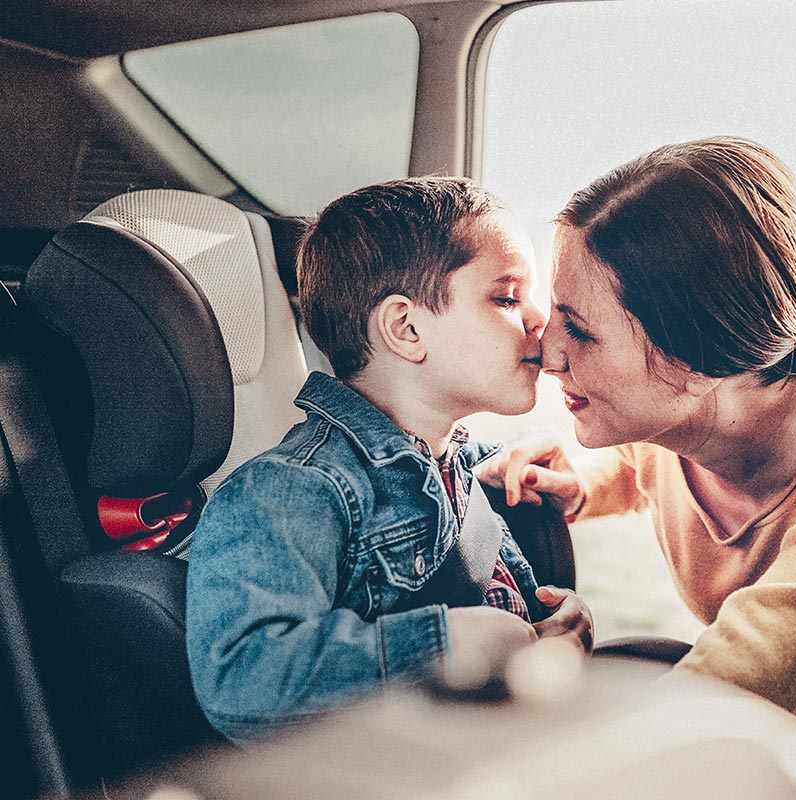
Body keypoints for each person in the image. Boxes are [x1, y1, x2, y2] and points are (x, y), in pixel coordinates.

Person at [477, 137, 796, 797]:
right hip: (768, 734)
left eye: (580, 330)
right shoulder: (696, 403)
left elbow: (746, 664)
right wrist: (586, 484)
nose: (547, 353)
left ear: (696, 359)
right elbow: (653, 458)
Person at [186, 178, 593, 743]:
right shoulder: (292, 491)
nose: (539, 321)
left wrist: (557, 626)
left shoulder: (464, 467)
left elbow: (508, 608)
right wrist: (443, 644)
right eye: (505, 297)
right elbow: (244, 682)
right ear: (406, 329)